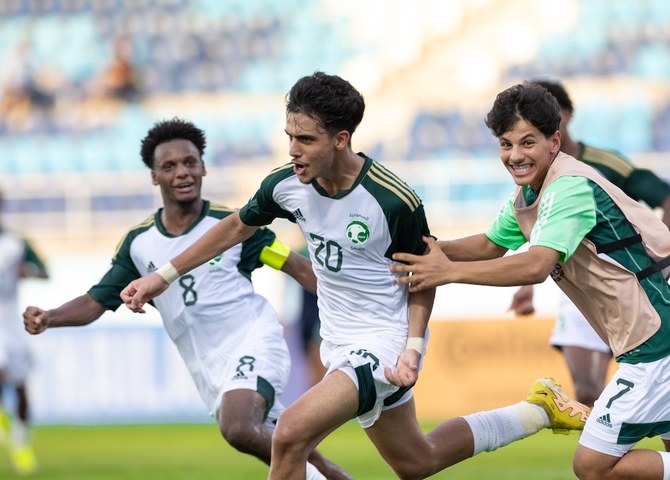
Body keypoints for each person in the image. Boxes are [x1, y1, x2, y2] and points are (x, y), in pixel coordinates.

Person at [119, 72, 588, 480]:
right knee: (416, 462)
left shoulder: (393, 201)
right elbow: (236, 226)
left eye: (306, 140)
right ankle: (535, 412)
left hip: (382, 343)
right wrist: (163, 275)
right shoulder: (286, 185)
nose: (293, 152)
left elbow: (422, 275)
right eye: (290, 137)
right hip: (339, 341)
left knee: (290, 433)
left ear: (340, 139)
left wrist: (412, 348)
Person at [22, 118, 350, 480]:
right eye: (169, 166)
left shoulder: (234, 225)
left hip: (254, 342)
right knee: (281, 442)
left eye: (190, 162)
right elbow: (97, 300)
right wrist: (49, 317)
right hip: (209, 371)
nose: (183, 172)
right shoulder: (139, 243)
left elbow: (297, 268)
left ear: (204, 167)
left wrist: (358, 307)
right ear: (154, 176)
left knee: (239, 428)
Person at [391, 82, 670, 479]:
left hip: (656, 343)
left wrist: (449, 272)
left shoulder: (569, 187)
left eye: (527, 142)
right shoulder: (530, 194)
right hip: (647, 336)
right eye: (506, 144)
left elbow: (535, 265)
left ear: (554, 140)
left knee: (593, 467)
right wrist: (422, 249)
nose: (515, 156)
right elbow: (490, 245)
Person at [508, 79, 670, 407]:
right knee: (586, 392)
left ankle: (611, 451)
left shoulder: (603, 164)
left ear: (565, 115)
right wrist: (528, 284)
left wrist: (658, 261)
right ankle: (606, 449)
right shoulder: (530, 171)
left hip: (627, 283)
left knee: (646, 391)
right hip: (576, 286)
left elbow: (665, 196)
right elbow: (538, 229)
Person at [0, 190, 49, 476]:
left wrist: (26, 271)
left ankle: (20, 444)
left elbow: (45, 271)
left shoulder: (15, 243)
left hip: (10, 317)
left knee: (20, 386)